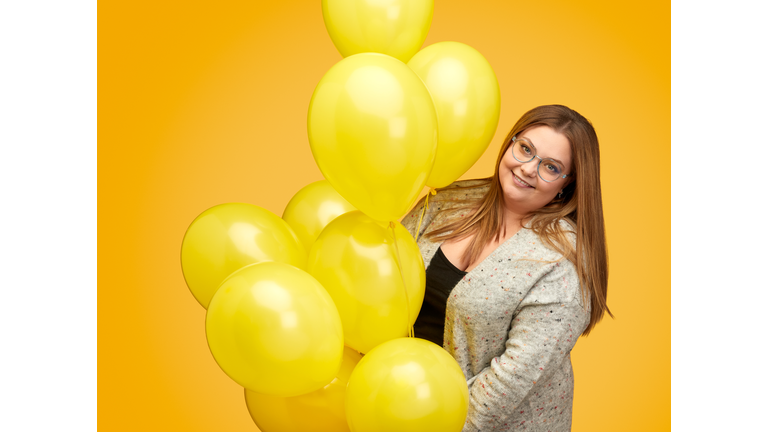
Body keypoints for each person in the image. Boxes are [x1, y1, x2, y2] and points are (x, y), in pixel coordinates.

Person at [401, 104, 612, 431]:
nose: (528, 168)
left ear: (566, 186)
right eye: (525, 149)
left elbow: (511, 381)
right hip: (400, 403)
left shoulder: (562, 259)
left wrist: (433, 422)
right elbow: (388, 278)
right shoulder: (449, 199)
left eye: (551, 167)